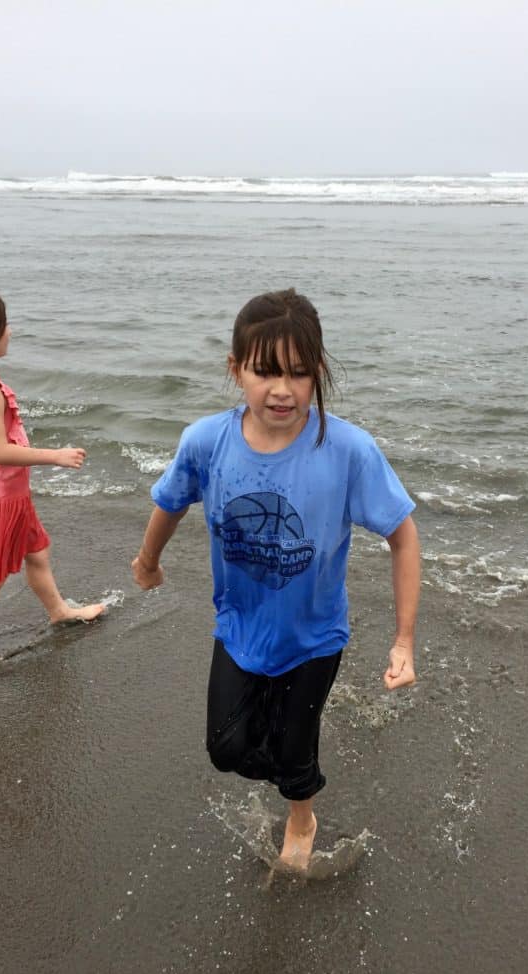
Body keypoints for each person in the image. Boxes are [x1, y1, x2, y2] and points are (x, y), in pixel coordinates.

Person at [132, 288, 420, 871]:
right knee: (226, 750)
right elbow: (170, 502)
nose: (281, 389)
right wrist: (148, 561)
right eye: (264, 371)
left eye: (297, 372)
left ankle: (301, 812)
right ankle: (289, 757)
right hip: (239, 625)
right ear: (235, 369)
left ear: (318, 371)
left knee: (293, 753)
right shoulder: (206, 442)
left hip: (315, 635)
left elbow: (404, 537)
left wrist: (404, 639)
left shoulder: (347, 450)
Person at [0, 287, 104, 679]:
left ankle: (59, 611)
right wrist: (55, 456)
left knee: (36, 553)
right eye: (3, 323)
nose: (10, 330)